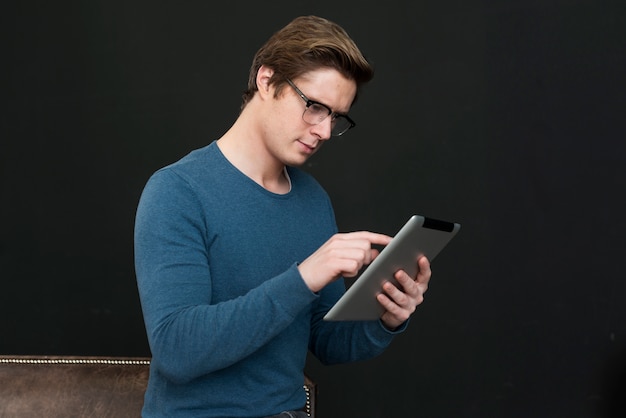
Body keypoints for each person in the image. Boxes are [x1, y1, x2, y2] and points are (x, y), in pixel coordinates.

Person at [134, 15, 431, 418]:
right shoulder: (177, 191)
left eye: (336, 117)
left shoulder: (312, 200)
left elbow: (327, 341)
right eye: (314, 107)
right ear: (267, 80)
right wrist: (305, 276)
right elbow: (178, 351)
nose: (324, 131)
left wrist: (386, 317)